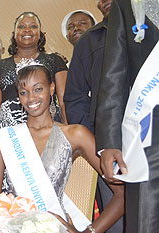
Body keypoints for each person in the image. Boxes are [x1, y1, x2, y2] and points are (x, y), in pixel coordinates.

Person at [0, 61, 124, 233]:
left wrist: (89, 232)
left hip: (53, 227)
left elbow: (122, 194)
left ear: (51, 89)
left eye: (38, 89)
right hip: (11, 225)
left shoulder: (75, 134)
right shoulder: (6, 137)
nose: (31, 98)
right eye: (23, 92)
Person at [0, 12, 68, 177]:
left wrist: (69, 137)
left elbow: (64, 101)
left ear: (40, 33)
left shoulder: (55, 61)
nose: (27, 30)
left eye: (33, 26)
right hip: (11, 141)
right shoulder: (0, 65)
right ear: (14, 34)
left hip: (48, 136)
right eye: (22, 26)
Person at [95, 0, 159, 232]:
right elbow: (114, 75)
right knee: (145, 218)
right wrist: (109, 143)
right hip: (147, 136)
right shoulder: (125, 5)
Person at [63, 1, 124, 232]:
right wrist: (96, 140)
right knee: (116, 217)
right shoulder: (89, 41)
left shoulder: (148, 27)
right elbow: (75, 97)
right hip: (109, 147)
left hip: (151, 140)